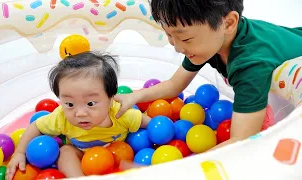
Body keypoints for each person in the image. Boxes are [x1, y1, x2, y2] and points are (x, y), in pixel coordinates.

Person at [115, 0, 302, 150]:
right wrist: (135, 96)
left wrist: (179, 168)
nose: (178, 47)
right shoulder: (209, 42)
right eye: (169, 35)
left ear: (228, 23)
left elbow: (242, 142)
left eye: (185, 38)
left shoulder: (250, 66)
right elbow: (174, 85)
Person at [5, 51, 151, 179]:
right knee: (65, 152)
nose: (80, 113)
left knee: (130, 163)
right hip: (80, 156)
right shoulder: (61, 118)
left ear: (110, 98)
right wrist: (20, 152)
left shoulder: (121, 114)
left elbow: (150, 124)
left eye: (91, 103)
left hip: (117, 156)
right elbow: (36, 126)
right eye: (69, 104)